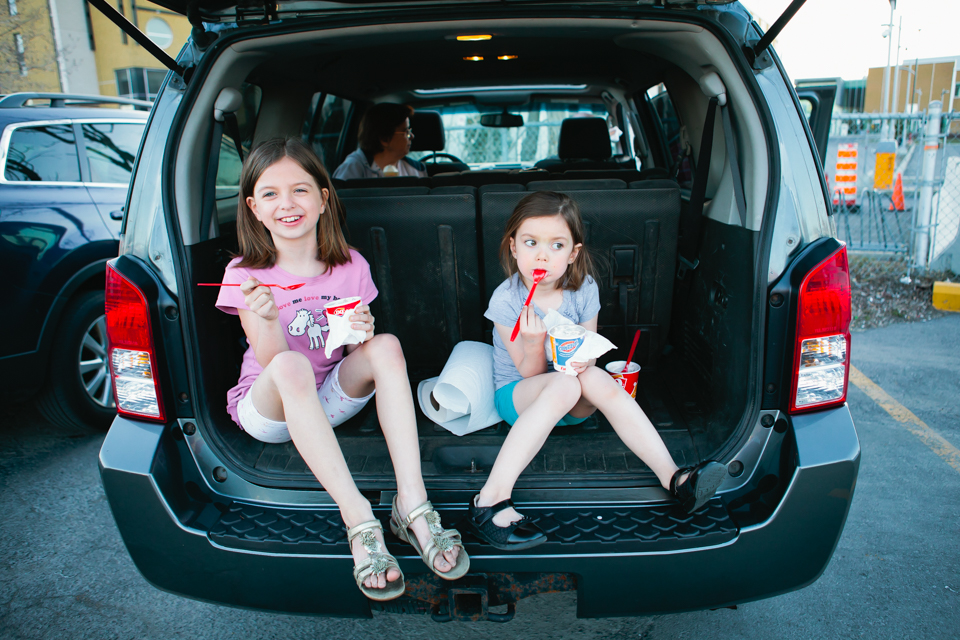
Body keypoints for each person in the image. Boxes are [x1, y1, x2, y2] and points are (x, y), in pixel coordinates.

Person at [215, 138, 467, 600]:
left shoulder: (351, 265)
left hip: (328, 398)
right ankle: (358, 519)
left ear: (323, 197)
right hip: (271, 411)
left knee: (387, 345)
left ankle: (412, 505)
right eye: (270, 194)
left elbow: (356, 354)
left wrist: (362, 334)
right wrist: (269, 317)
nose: (286, 204)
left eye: (300, 190)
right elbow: (275, 364)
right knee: (290, 364)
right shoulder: (245, 274)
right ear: (252, 207)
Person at [465, 191, 725, 550]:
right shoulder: (506, 300)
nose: (542, 254)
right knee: (566, 387)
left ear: (573, 253)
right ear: (513, 248)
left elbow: (588, 350)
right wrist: (531, 343)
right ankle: (489, 499)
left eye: (556, 245)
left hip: (571, 404)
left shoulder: (583, 289)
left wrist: (585, 361)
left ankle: (675, 479)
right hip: (519, 397)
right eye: (530, 243)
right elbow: (528, 373)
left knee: (594, 378)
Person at [332, 103, 428, 180]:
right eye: (406, 131)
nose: (411, 136)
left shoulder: (416, 169)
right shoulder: (352, 170)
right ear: (384, 139)